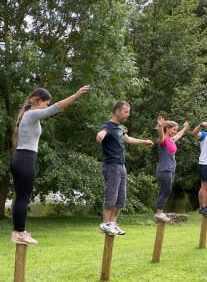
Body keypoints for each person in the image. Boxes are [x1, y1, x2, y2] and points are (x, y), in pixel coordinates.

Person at [10, 85, 90, 245]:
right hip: (25, 159)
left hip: (22, 158)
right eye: (45, 103)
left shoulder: (27, 115)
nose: (46, 106)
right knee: (23, 199)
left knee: (21, 198)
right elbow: (55, 108)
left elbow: (51, 108)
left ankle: (19, 231)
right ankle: (19, 232)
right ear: (38, 101)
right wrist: (75, 95)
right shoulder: (31, 114)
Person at [96, 101, 154, 235]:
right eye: (126, 112)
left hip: (121, 166)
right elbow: (102, 133)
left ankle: (113, 223)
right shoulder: (108, 126)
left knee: (121, 198)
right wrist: (100, 136)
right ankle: (105, 224)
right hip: (112, 166)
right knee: (111, 195)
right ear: (117, 111)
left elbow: (128, 140)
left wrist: (144, 141)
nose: (128, 114)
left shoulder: (119, 128)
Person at [153, 115, 189, 222]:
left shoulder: (171, 140)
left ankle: (160, 212)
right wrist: (160, 127)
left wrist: (185, 128)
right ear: (167, 129)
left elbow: (179, 135)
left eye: (176, 130)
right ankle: (159, 213)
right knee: (165, 191)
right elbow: (160, 136)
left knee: (166, 191)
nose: (175, 131)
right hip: (164, 170)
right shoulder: (163, 140)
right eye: (173, 129)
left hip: (171, 169)